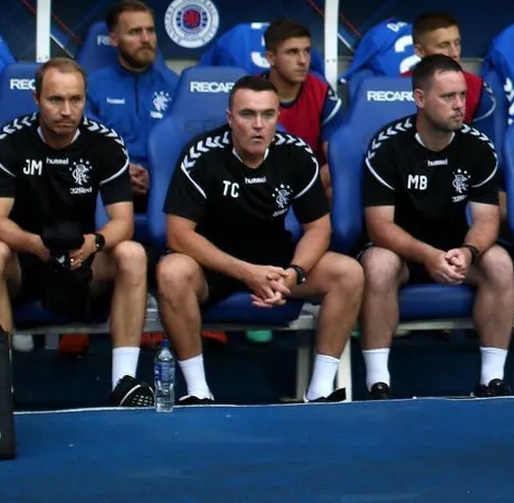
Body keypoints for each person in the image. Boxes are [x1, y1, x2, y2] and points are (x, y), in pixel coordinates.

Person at [155, 76, 363, 404]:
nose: (258, 125)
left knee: (348, 273)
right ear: (229, 118)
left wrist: (294, 273)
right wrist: (246, 272)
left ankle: (320, 392)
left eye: (267, 115)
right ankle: (198, 392)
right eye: (247, 114)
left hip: (274, 261)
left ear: (278, 116)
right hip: (213, 262)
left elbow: (318, 229)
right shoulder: (202, 155)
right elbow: (179, 234)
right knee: (171, 271)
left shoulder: (296, 154)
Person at [0, 58, 153, 407]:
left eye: (75, 100)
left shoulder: (105, 143)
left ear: (85, 99)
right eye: (55, 100)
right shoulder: (10, 141)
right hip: (27, 258)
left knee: (132, 253)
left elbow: (123, 222)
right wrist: (37, 246)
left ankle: (124, 382)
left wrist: (94, 243)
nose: (66, 111)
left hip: (81, 257)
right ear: (36, 98)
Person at [355, 55, 514, 400]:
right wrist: (428, 255)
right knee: (378, 264)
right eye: (448, 97)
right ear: (420, 98)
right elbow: (379, 227)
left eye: (462, 95)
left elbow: (487, 219)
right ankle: (378, 383)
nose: (459, 105)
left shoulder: (478, 146)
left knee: (500, 262)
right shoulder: (388, 146)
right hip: (400, 252)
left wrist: (468, 252)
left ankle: (492, 381)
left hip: (455, 251)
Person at [85, 0, 179, 211]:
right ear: (114, 39)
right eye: (135, 32)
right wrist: (117, 172)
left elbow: (184, 144)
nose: (146, 39)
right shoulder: (91, 87)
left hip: (164, 188)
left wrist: (157, 176)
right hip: (105, 189)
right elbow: (83, 142)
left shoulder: (176, 86)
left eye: (150, 30)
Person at [258, 18, 343, 198]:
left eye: (307, 51)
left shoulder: (322, 93)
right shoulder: (252, 94)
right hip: (261, 183)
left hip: (310, 183)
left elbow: (337, 161)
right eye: (292, 52)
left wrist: (304, 190)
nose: (303, 61)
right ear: (271, 58)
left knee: (336, 188)